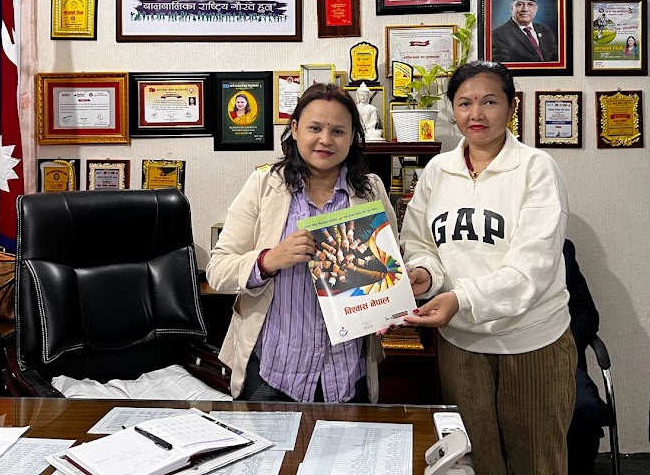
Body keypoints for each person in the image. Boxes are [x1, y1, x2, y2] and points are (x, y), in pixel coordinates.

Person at [400, 60, 576, 474]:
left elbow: (532, 267)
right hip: (460, 344)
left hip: (530, 342)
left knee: (537, 463)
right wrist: (424, 275)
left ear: (512, 107)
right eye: (464, 103)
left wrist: (459, 299)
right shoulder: (437, 171)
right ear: (452, 109)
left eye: (489, 102)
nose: (476, 114)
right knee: (475, 462)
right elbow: (420, 242)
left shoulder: (536, 168)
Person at [206, 83, 398, 403]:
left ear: (353, 136)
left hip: (346, 374)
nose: (326, 139)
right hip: (274, 372)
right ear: (295, 129)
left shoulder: (370, 191)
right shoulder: (264, 186)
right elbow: (217, 270)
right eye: (315, 128)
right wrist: (268, 260)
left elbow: (390, 269)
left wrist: (390, 297)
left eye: (338, 131)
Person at [563, 238, 609, 475]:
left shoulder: (562, 249)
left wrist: (563, 345)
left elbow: (587, 315)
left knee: (585, 409)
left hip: (562, 360)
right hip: (509, 361)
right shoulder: (489, 248)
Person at [491, 0, 558, 63]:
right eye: (519, 4)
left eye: (530, 4)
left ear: (536, 9)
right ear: (512, 8)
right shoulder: (498, 35)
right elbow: (503, 67)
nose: (525, 9)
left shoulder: (545, 30)